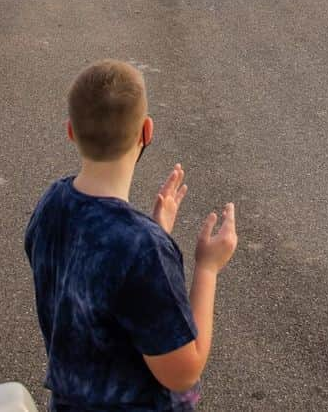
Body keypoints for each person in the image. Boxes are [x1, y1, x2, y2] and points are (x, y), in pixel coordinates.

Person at [25, 60, 237, 412]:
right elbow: (183, 371)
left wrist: (155, 231)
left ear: (71, 132)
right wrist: (207, 268)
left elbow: (95, 282)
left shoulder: (52, 203)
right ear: (146, 131)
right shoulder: (141, 250)